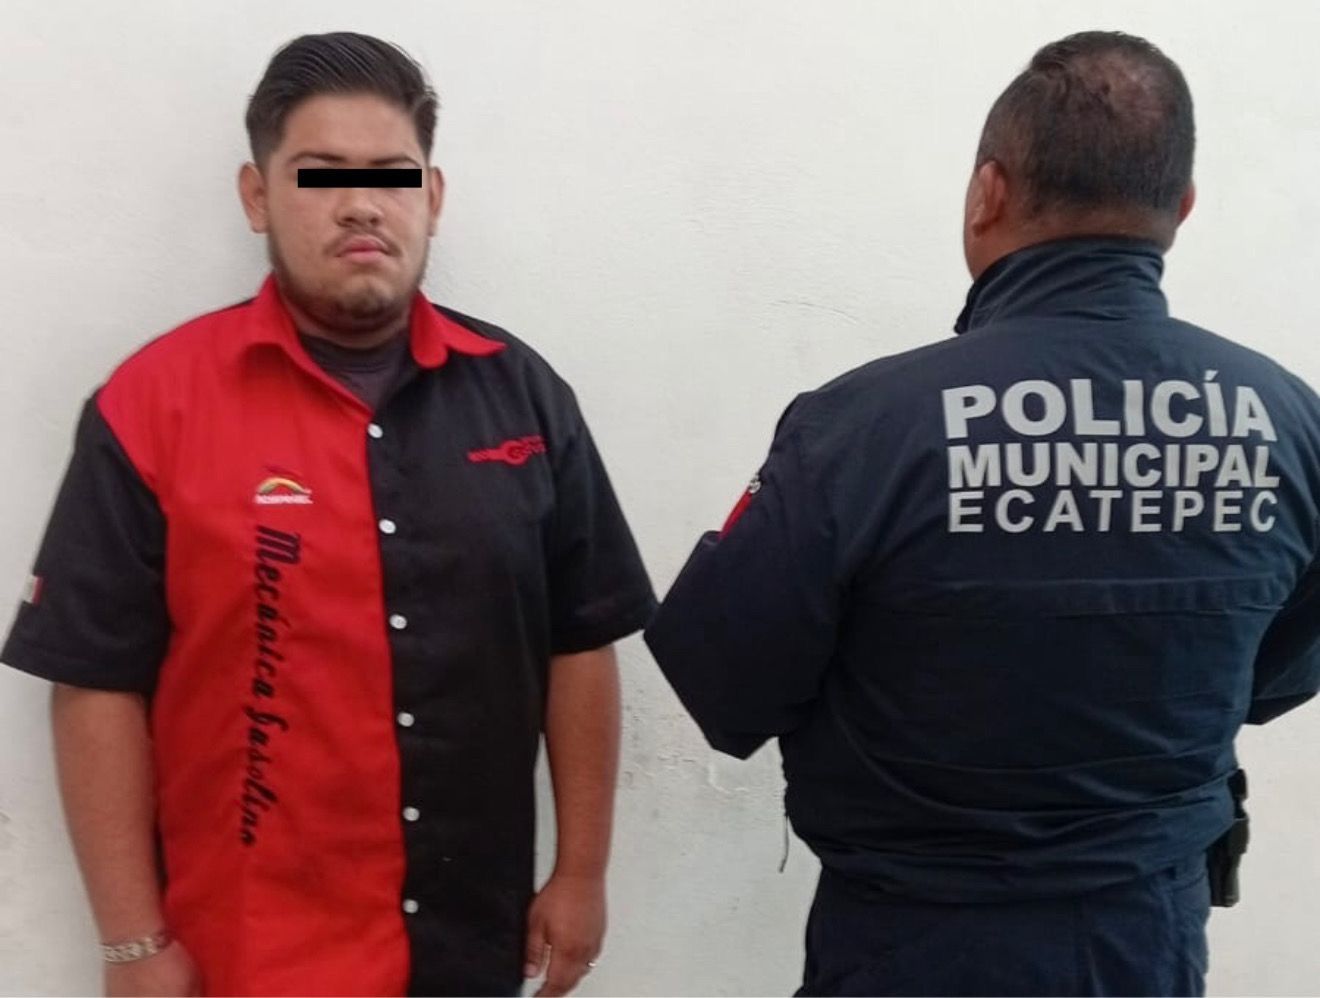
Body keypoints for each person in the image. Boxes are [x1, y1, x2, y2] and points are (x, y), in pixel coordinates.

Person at [646, 30, 1320, 997]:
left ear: (987, 193)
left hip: (908, 948)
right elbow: (1275, 675)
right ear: (1180, 208)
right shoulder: (1291, 423)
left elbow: (724, 684)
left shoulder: (864, 428)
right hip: (1148, 945)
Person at [2, 31, 655, 998]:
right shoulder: (153, 407)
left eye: (393, 175)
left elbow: (580, 640)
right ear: (257, 196)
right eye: (320, 175)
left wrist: (582, 873)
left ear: (432, 197)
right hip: (248, 956)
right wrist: (131, 942)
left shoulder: (525, 399)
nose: (361, 203)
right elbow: (96, 680)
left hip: (470, 948)